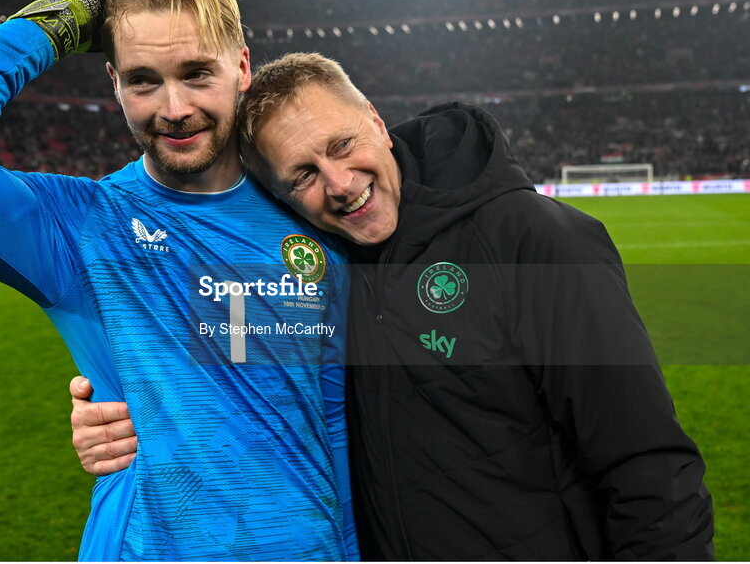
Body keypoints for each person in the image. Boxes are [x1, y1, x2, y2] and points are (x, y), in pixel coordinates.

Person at [71, 52, 715, 560]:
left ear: (377, 121)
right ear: (281, 197)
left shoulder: (531, 239)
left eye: (343, 145)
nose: (340, 184)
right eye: (303, 175)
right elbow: (232, 386)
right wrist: (121, 419)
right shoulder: (321, 275)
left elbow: (647, 463)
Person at [0, 0, 357, 561]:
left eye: (196, 73)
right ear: (113, 83)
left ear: (242, 67)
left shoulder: (315, 206)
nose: (174, 108)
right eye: (143, 80)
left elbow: (333, 419)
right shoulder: (79, 226)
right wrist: (54, 22)